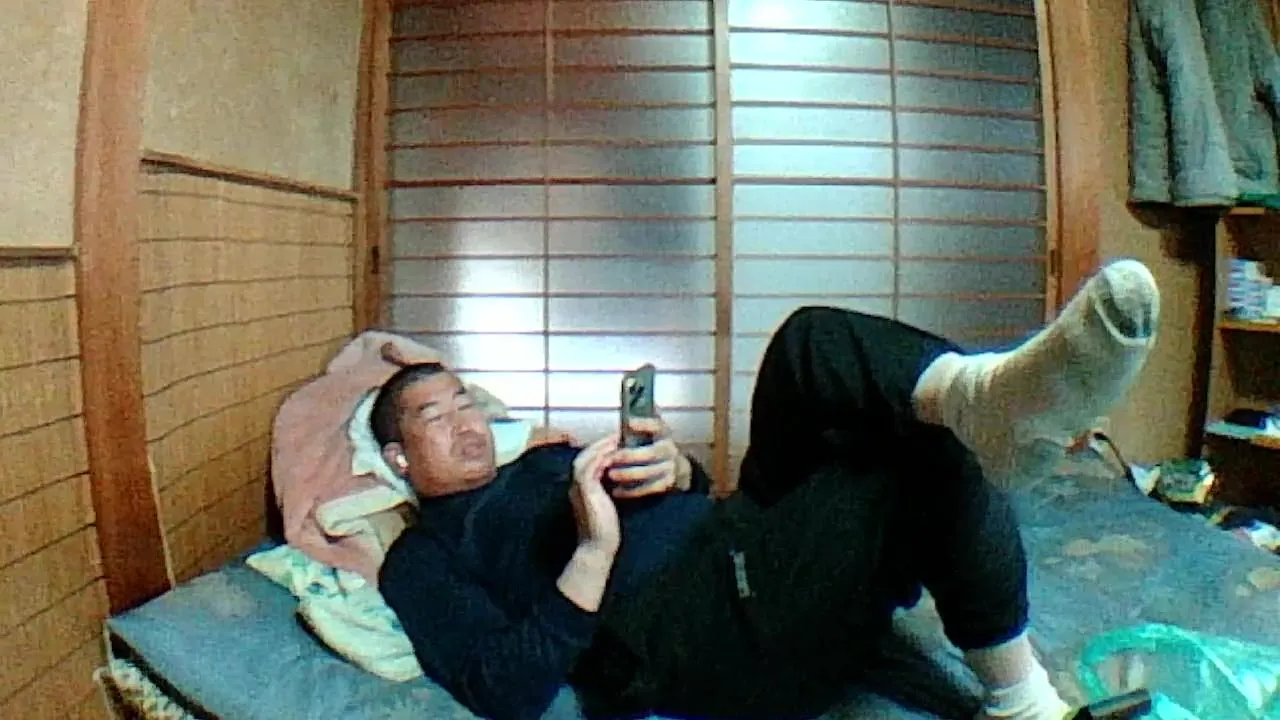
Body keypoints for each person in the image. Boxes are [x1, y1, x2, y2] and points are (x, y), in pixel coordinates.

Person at [377, 259, 1161, 720]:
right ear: (397, 458)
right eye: (432, 416)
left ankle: (986, 402)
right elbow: (502, 690)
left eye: (465, 402)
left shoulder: (542, 460)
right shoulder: (420, 555)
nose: (464, 421)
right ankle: (1024, 704)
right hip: (698, 631)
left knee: (809, 345)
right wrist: (593, 551)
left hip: (738, 539)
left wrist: (676, 469)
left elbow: (688, 493)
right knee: (926, 450)